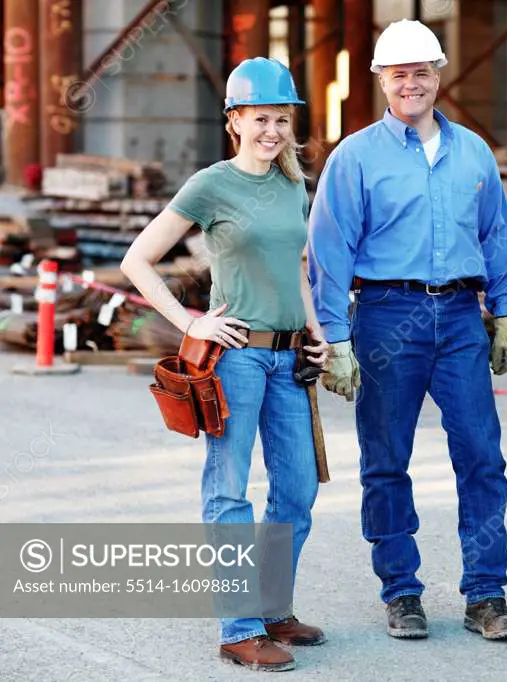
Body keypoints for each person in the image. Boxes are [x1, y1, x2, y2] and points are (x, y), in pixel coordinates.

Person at [307, 19, 507, 641]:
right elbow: (330, 252)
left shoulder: (474, 153)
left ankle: (487, 594)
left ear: (439, 75)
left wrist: (506, 312)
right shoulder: (354, 158)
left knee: (482, 456)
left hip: (459, 318)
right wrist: (336, 341)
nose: (411, 84)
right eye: (399, 74)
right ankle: (401, 590)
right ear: (381, 80)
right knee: (385, 460)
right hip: (384, 317)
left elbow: (498, 236)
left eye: (421, 72)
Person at [121, 57, 328, 672]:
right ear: (234, 121)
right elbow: (137, 261)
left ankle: (270, 607)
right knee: (229, 493)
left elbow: (297, 268)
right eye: (260, 118)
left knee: (297, 488)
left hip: (289, 360)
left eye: (282, 119)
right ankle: (239, 628)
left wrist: (316, 331)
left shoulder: (294, 185)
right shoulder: (210, 186)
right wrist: (191, 321)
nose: (272, 130)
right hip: (235, 360)